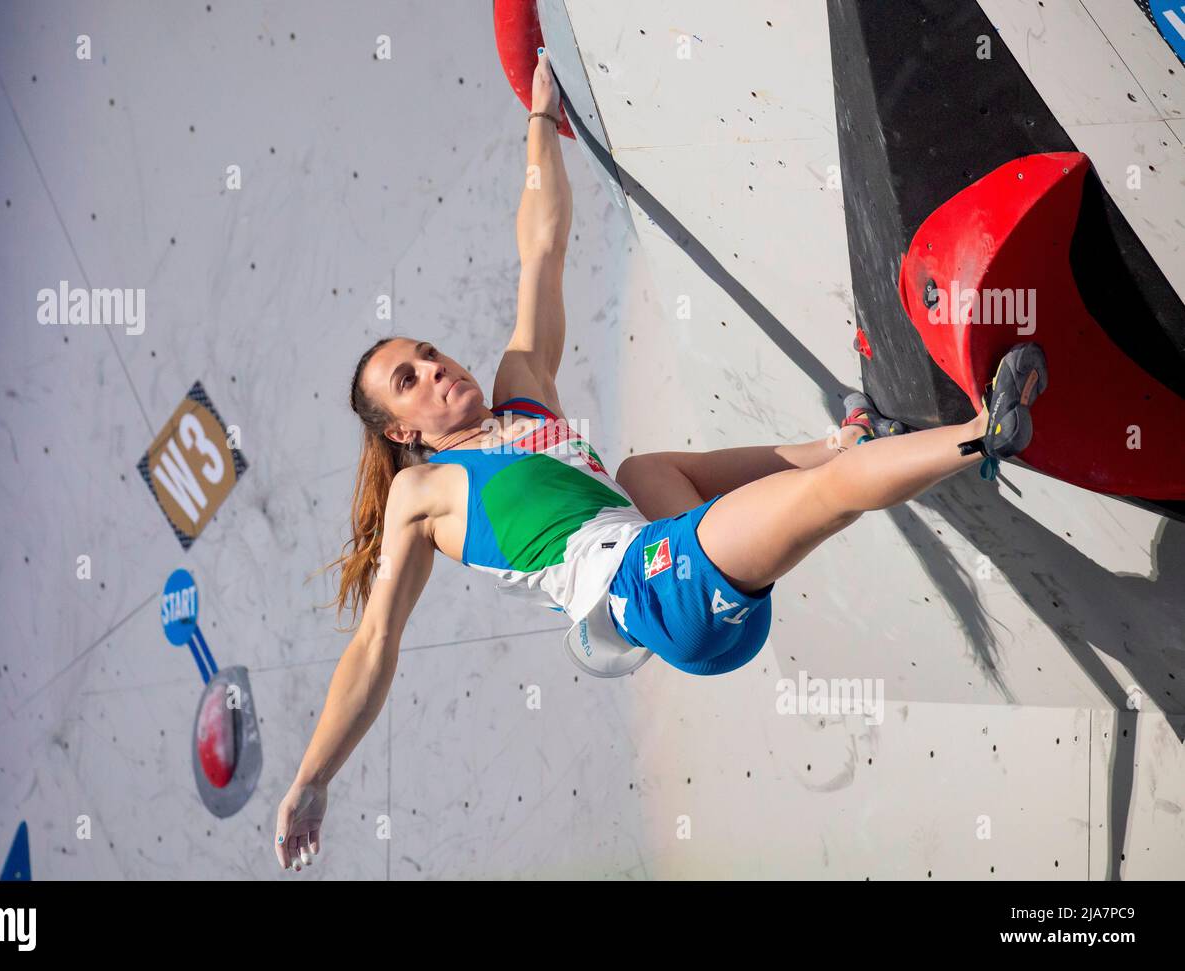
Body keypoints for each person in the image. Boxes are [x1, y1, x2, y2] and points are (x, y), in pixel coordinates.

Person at [273, 52, 1048, 871]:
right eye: (411, 381)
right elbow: (372, 648)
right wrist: (313, 777)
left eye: (428, 352)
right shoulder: (423, 494)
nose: (436, 370)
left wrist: (540, 116)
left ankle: (837, 441)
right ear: (402, 432)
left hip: (670, 561)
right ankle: (983, 433)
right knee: (824, 499)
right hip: (647, 590)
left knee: (643, 472)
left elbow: (542, 248)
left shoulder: (522, 391)